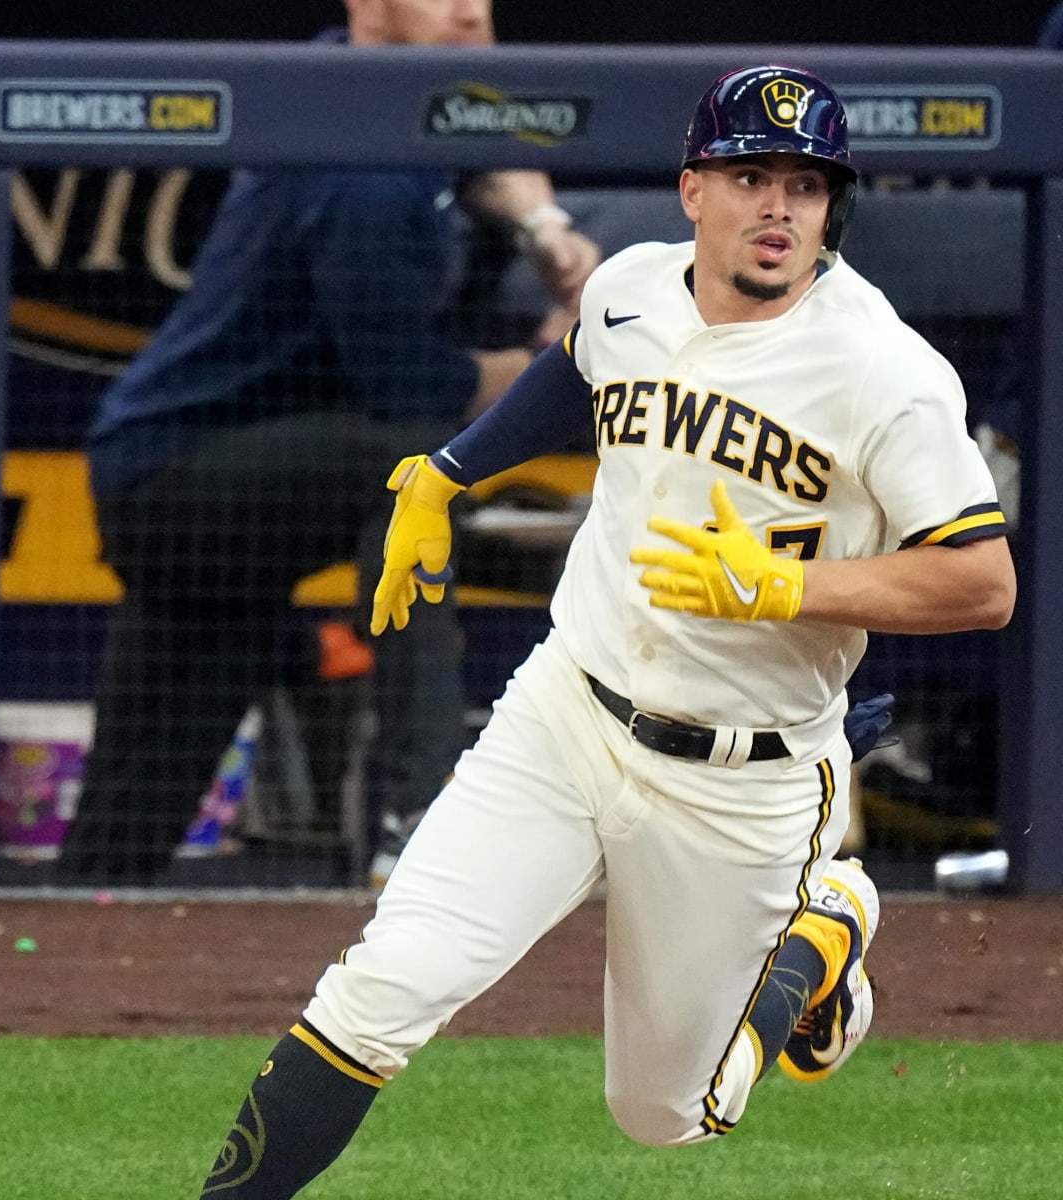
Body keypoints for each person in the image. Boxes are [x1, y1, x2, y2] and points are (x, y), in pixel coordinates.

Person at [196, 65, 1015, 1197]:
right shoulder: (632, 284)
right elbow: (578, 369)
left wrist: (789, 592)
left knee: (665, 1116)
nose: (777, 207)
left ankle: (825, 924)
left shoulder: (884, 370)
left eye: (806, 185)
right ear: (693, 189)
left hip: (744, 781)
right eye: (749, 176)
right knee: (384, 986)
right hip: (566, 714)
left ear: (833, 208)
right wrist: (447, 472)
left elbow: (983, 582)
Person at [53, 0, 601, 887]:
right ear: (368, 9)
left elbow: (479, 145)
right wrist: (551, 355)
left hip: (232, 491)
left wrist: (541, 225)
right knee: (411, 472)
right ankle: (417, 808)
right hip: (185, 481)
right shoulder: (360, 172)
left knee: (131, 817)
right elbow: (413, 386)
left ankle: (73, 923)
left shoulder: (348, 83)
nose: (470, 11)